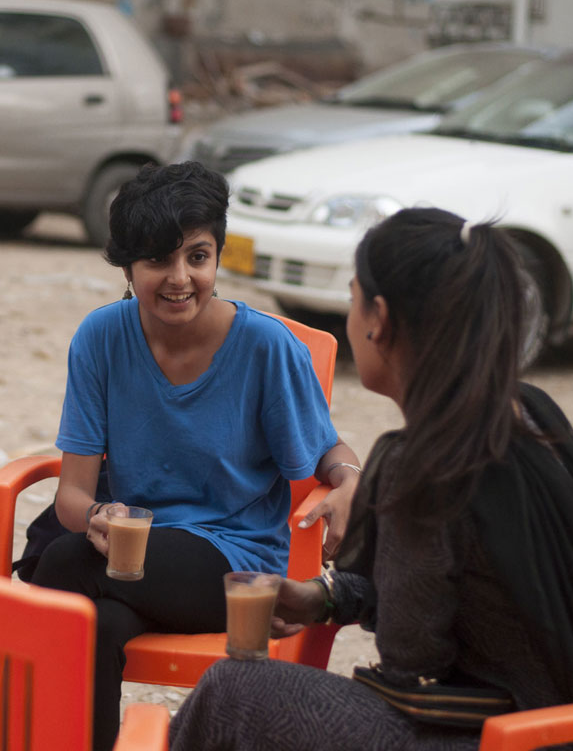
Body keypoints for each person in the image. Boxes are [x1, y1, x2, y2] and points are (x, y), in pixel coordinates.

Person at [169, 207, 573, 751]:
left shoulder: (427, 462)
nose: (350, 318)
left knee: (233, 690)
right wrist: (325, 599)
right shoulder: (529, 411)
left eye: (352, 298)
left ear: (380, 319)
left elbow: (412, 655)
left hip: (504, 737)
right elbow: (461, 585)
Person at [30, 161, 360, 751]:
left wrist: (349, 478)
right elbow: (74, 495)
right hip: (128, 561)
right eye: (158, 259)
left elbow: (325, 449)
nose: (180, 278)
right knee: (95, 625)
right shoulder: (101, 338)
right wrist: (97, 518)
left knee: (58, 569)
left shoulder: (264, 346)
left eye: (198, 256)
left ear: (217, 256)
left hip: (235, 564)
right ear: (128, 266)